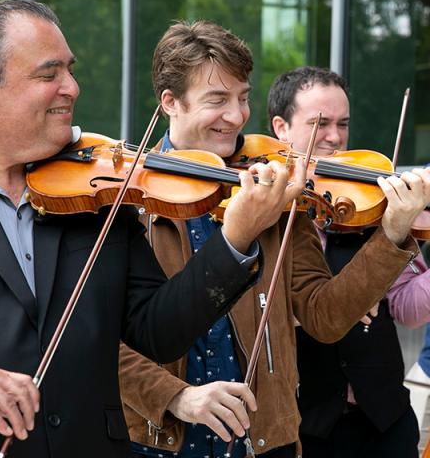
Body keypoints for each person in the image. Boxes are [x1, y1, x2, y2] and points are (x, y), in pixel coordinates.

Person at [0, 0, 317, 458]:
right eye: (49, 75)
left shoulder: (97, 194)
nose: (72, 87)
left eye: (70, 70)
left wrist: (234, 239)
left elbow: (157, 330)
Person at [118, 23, 430, 458]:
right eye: (217, 99)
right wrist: (175, 396)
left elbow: (324, 315)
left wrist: (393, 232)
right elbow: (97, 340)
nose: (237, 115)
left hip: (265, 441)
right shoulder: (128, 198)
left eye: (243, 97)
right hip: (162, 442)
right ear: (170, 102)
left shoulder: (275, 191)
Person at [267, 65, 427, 458]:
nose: (335, 138)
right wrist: (337, 304)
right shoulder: (263, 211)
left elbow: (407, 308)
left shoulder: (368, 202)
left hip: (385, 422)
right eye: (320, 123)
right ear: (281, 128)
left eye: (343, 123)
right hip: (304, 429)